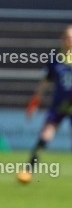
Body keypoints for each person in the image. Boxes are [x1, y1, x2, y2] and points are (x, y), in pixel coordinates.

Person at [19, 25, 72, 183]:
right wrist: (34, 102)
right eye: (66, 37)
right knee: (45, 134)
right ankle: (29, 169)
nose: (68, 40)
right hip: (59, 104)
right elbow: (44, 83)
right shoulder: (55, 60)